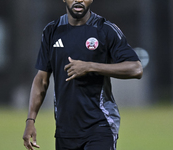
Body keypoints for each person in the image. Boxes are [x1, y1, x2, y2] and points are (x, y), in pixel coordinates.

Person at [23, 0, 143, 150]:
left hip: (100, 125)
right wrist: (30, 120)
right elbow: (41, 79)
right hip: (65, 131)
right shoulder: (52, 31)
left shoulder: (105, 29)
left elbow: (136, 69)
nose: (78, 0)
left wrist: (90, 66)